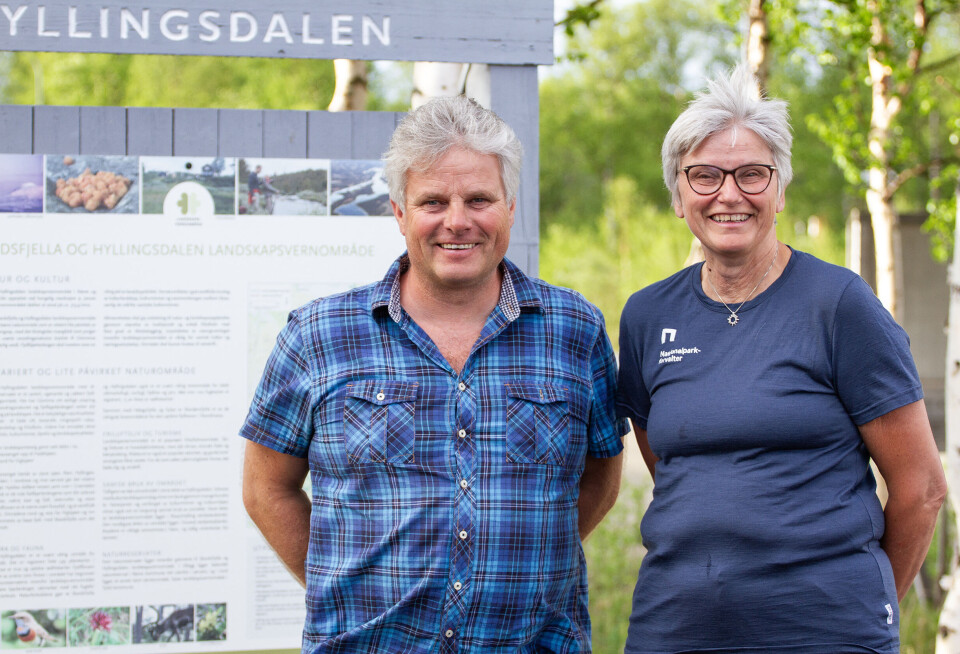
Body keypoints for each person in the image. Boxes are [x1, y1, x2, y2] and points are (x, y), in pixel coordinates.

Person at [240, 95, 628, 653]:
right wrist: (344, 588)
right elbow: (265, 488)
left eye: (478, 199)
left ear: (510, 207)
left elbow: (600, 478)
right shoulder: (317, 335)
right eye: (432, 202)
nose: (457, 221)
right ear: (399, 212)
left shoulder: (575, 329)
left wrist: (529, 571)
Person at [616, 66, 946, 654]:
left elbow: (921, 488)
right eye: (704, 176)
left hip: (826, 633)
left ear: (780, 189)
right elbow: (673, 471)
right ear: (678, 195)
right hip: (677, 628)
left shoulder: (840, 305)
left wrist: (872, 608)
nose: (729, 193)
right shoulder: (646, 315)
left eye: (752, 174)